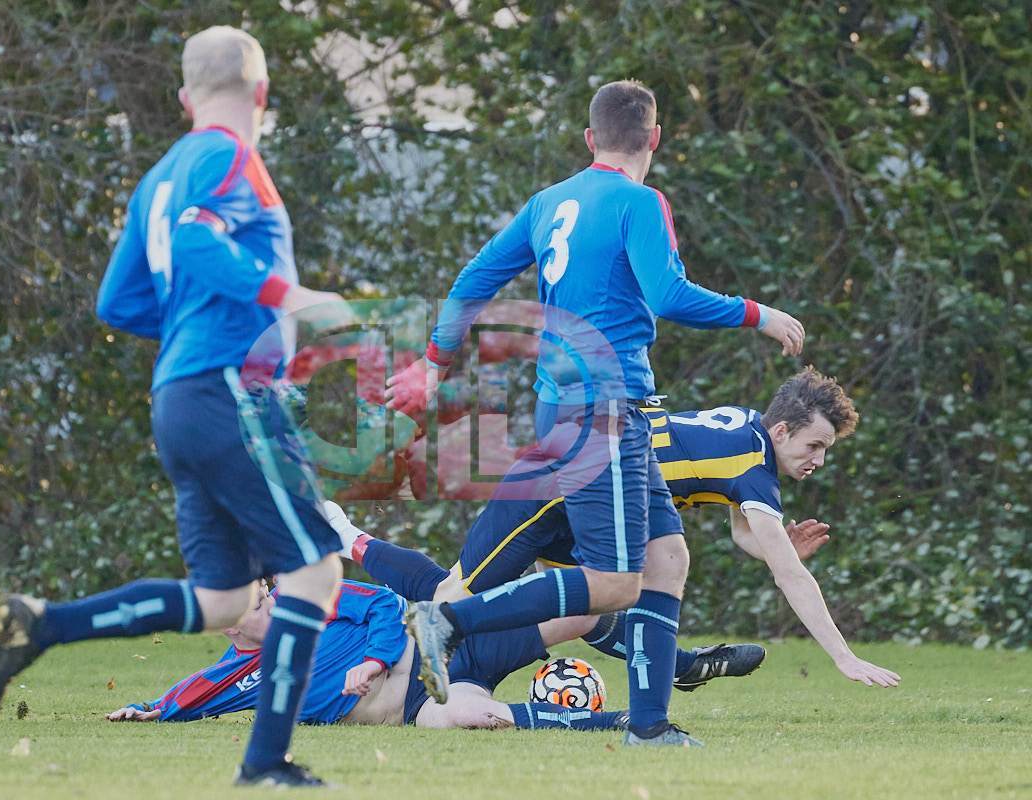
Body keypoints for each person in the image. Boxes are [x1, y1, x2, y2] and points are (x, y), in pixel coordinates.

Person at [0, 26, 353, 788]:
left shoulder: (159, 175)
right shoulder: (230, 156)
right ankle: (267, 763)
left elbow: (117, 301)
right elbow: (195, 241)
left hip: (180, 396)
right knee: (315, 572)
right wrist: (292, 298)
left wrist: (190, 326)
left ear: (184, 98)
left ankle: (43, 625)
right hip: (229, 388)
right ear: (262, 92)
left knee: (223, 600)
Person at [385, 79, 807, 747]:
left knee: (667, 558)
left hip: (584, 412)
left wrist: (434, 363)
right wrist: (756, 314)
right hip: (601, 412)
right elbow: (667, 295)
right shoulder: (640, 201)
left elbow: (475, 279)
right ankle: (447, 622)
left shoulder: (549, 202)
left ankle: (649, 727)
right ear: (655, 137)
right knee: (613, 585)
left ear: (590, 139)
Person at [341, 369, 902, 690]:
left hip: (585, 506)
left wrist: (777, 548)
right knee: (455, 594)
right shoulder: (752, 466)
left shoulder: (747, 433)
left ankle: (678, 668)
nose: (818, 459)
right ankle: (369, 666)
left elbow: (744, 534)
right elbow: (789, 577)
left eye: (826, 449)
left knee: (588, 608)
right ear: (781, 431)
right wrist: (843, 657)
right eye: (815, 445)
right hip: (551, 488)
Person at [108, 579, 634, 733]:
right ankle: (615, 722)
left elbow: (384, 603)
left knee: (582, 614)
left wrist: (375, 660)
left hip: (447, 645)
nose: (272, 601)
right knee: (475, 716)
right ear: (229, 623)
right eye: (259, 603)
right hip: (419, 705)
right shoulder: (242, 676)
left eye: (265, 593)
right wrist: (149, 708)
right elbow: (193, 694)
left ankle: (667, 667)